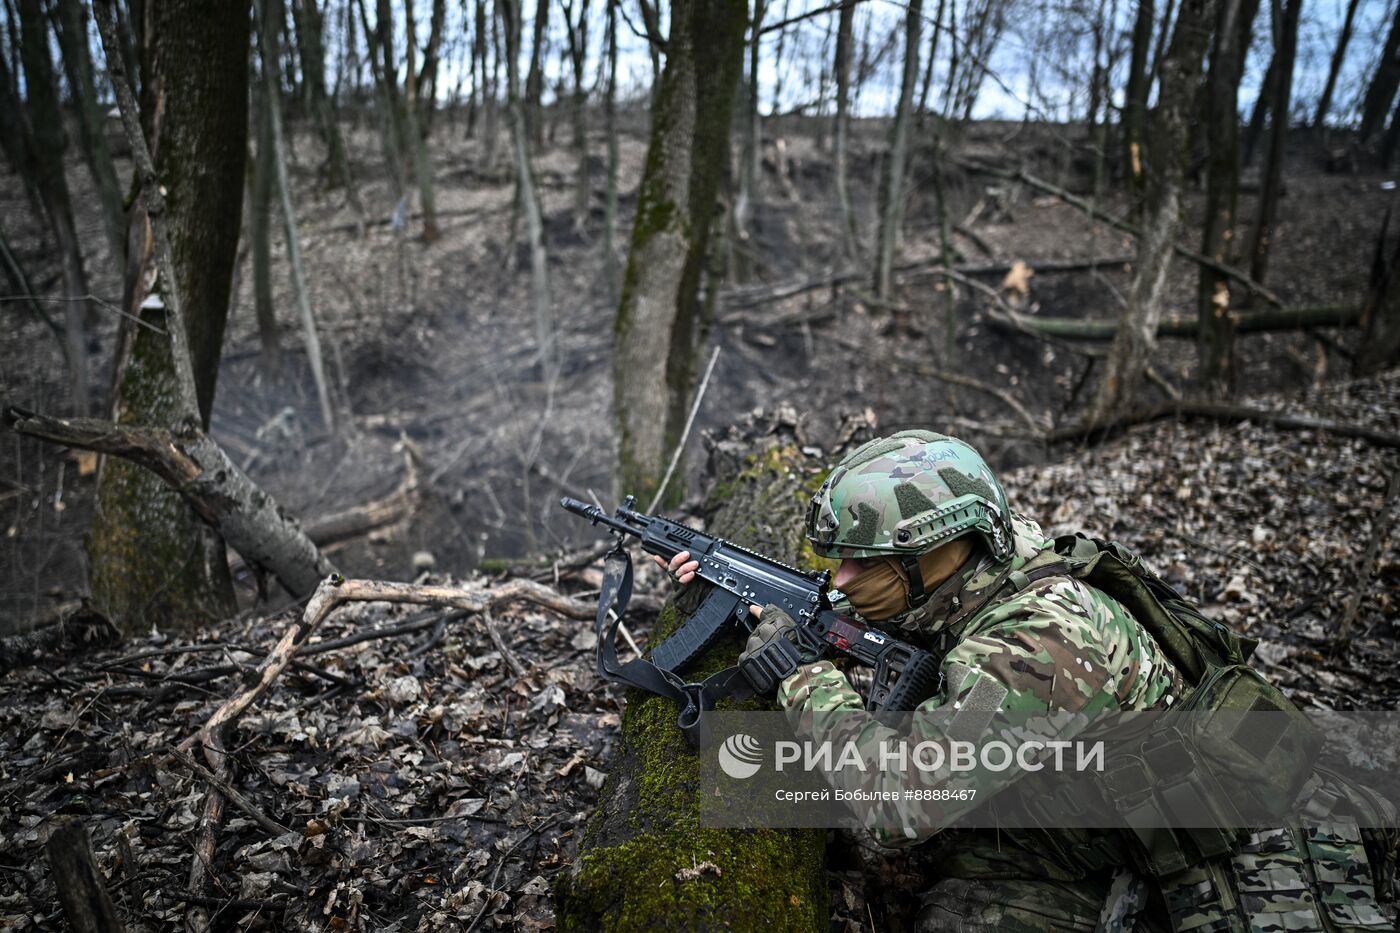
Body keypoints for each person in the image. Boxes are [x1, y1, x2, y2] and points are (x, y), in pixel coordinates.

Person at [656, 430, 1396, 932]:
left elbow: (895, 807)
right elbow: (895, 629)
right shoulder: (995, 555)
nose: (838, 578)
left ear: (938, 554)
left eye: (862, 562)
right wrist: (738, 592)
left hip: (1179, 842)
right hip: (1091, 797)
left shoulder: (1037, 642)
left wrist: (804, 674)